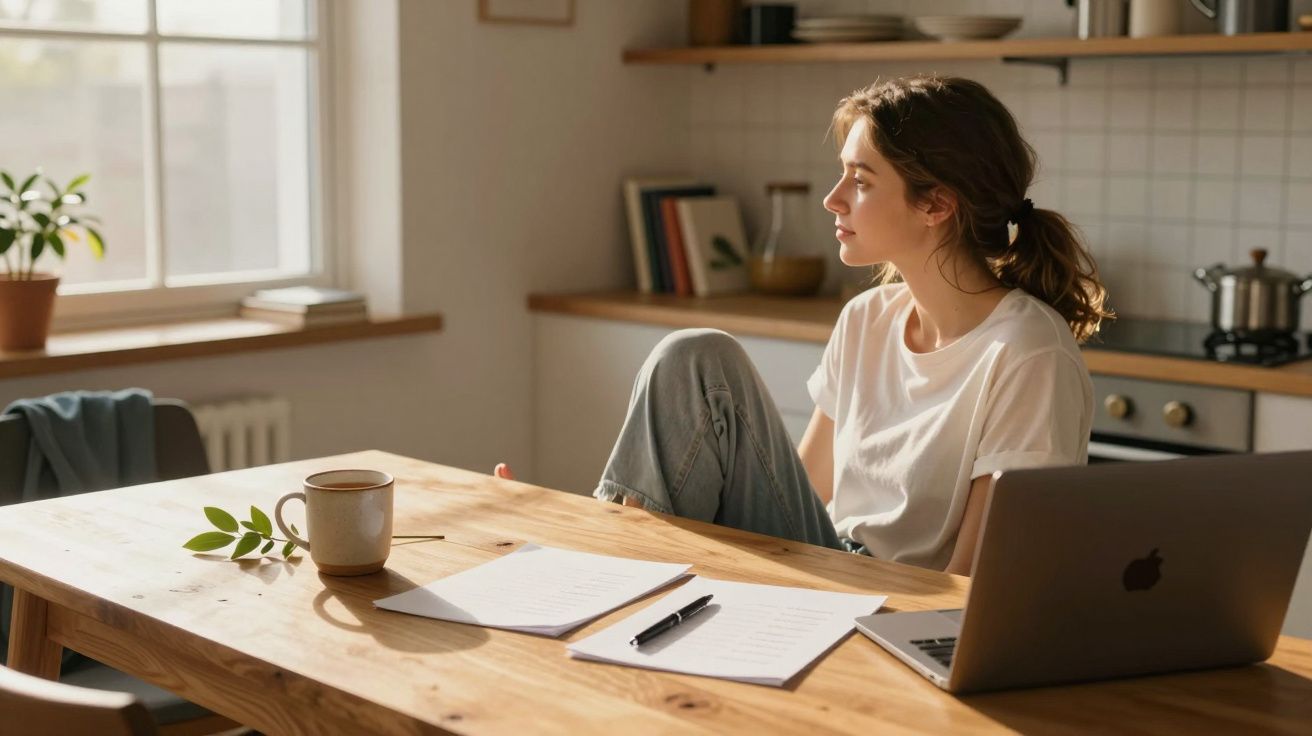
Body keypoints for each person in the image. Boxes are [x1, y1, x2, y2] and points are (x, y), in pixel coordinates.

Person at [497, 75, 1112, 575]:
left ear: (937, 205)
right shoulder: (867, 318)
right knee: (693, 356)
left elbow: (978, 581)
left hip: (905, 604)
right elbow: (800, 488)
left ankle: (584, 565)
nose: (834, 198)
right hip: (830, 560)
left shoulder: (1027, 354)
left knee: (694, 369)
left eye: (861, 180)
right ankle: (591, 548)